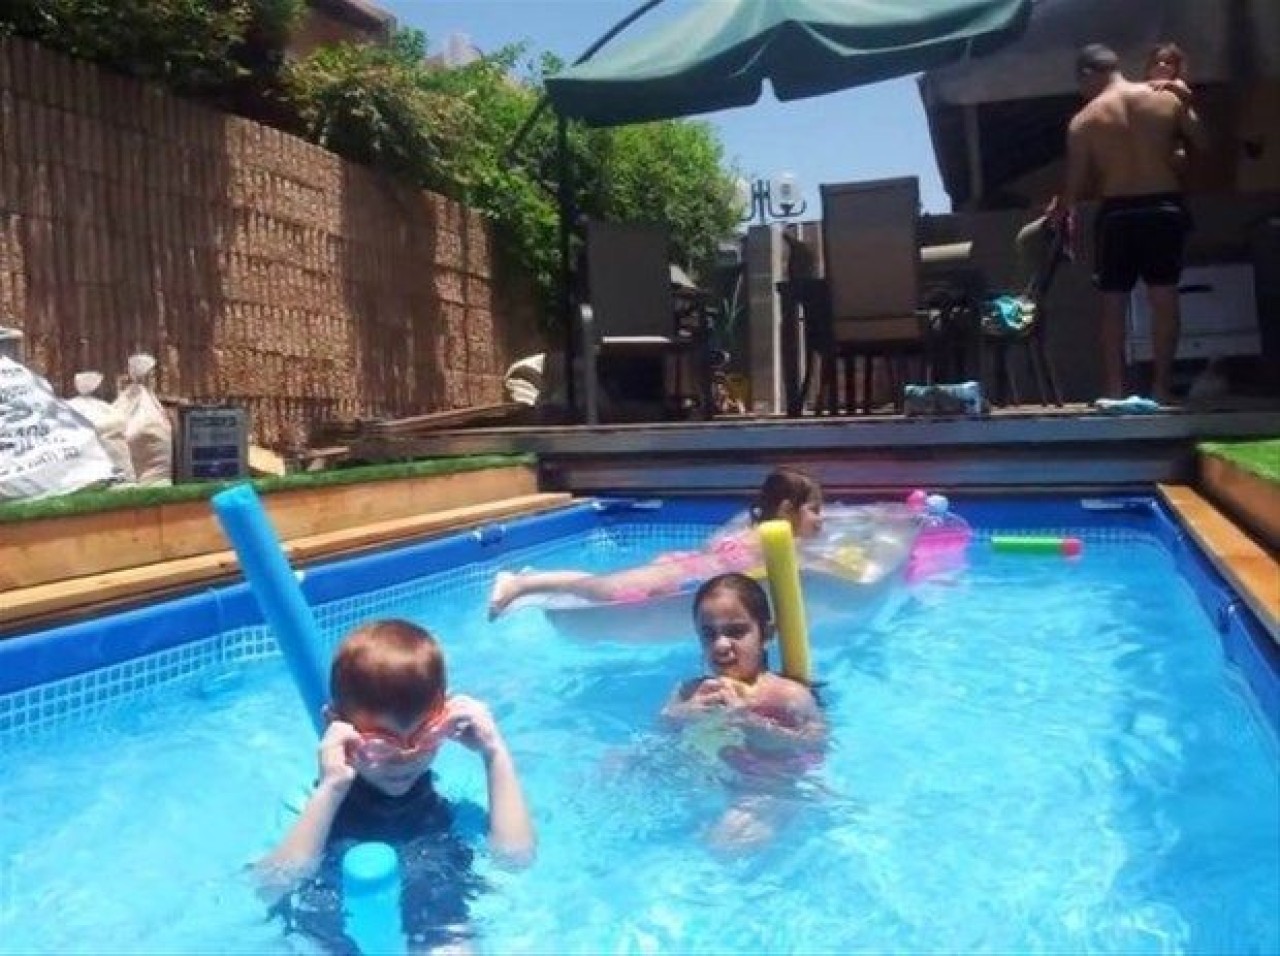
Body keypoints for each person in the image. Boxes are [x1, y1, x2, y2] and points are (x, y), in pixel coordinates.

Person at [255, 619, 535, 953]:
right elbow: (272, 887)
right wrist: (330, 790)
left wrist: (495, 753)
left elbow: (515, 859)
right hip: (335, 936)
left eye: (424, 738)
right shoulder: (309, 803)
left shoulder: (452, 796)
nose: (404, 759)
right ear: (335, 725)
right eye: (380, 744)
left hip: (439, 930)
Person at [1053, 43, 1205, 404]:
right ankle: (1161, 389)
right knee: (1164, 300)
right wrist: (1185, 98)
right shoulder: (1165, 99)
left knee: (1113, 305)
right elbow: (1204, 141)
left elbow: (1075, 185)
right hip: (1163, 208)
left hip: (1118, 214)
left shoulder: (1084, 121)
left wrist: (1061, 207)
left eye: (1080, 82)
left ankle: (1114, 392)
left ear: (1089, 74)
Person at [486, 466, 825, 618]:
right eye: (814, 510)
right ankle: (521, 583)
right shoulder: (775, 542)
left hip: (684, 568)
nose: (820, 520)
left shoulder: (754, 530)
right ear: (786, 510)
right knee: (599, 589)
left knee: (597, 587)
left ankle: (532, 583)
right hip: (675, 576)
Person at [661, 573, 825, 846]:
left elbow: (816, 744)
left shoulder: (786, 695)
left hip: (774, 785)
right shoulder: (690, 692)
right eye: (709, 634)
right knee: (616, 763)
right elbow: (661, 730)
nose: (721, 645)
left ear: (766, 634)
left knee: (724, 845)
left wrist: (749, 721)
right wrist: (681, 715)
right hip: (715, 776)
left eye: (736, 632)